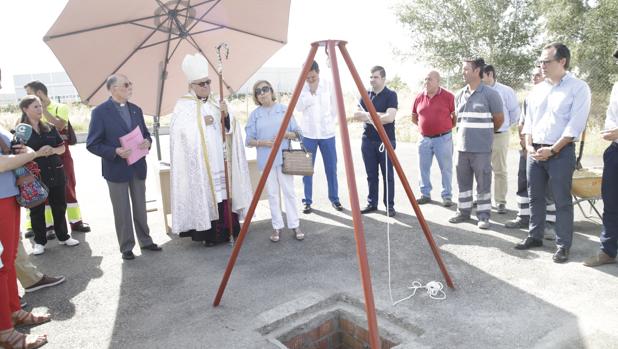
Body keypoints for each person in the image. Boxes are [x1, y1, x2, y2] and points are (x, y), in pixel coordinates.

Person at [516, 43, 591, 263]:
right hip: (535, 151)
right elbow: (529, 122)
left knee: (561, 200)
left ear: (562, 62)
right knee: (535, 197)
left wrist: (553, 149)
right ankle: (535, 235)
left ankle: (562, 245)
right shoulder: (538, 90)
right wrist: (529, 146)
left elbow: (574, 126)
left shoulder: (578, 88)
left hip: (560, 152)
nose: (542, 65)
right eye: (540, 61)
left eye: (547, 61)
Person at [169, 53, 252, 246]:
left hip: (220, 157)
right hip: (201, 162)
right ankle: (211, 236)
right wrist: (199, 122)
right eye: (201, 83)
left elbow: (232, 129)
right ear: (191, 86)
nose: (206, 86)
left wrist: (226, 116)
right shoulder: (183, 105)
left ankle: (230, 229)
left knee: (224, 193)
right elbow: (178, 131)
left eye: (208, 82)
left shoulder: (218, 101)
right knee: (209, 193)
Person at [86, 74, 161, 260]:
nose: (130, 87)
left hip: (137, 166)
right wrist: (115, 151)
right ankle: (126, 246)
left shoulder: (136, 109)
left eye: (130, 83)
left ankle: (146, 240)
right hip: (116, 168)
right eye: (126, 84)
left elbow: (145, 134)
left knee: (140, 207)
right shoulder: (100, 112)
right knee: (121, 209)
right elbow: (92, 144)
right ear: (113, 89)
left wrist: (147, 142)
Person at [1, 67, 49, 349]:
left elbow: (14, 155)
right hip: (1, 199)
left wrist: (20, 155)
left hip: (8, 197)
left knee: (6, 263)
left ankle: (13, 311)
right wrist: (24, 157)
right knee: (1, 266)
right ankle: (5, 331)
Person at [24, 81, 91, 235]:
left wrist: (42, 110)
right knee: (41, 189)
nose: (27, 96)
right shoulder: (28, 110)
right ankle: (48, 227)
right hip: (40, 157)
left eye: (30, 93)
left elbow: (60, 125)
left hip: (61, 153)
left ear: (39, 93)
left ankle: (75, 222)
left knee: (68, 185)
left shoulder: (60, 107)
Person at [19, 96, 80, 255]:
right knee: (37, 210)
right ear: (25, 109)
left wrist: (52, 150)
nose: (40, 110)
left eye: (40, 106)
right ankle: (39, 242)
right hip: (35, 176)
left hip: (56, 172)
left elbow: (62, 149)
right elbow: (17, 155)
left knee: (59, 206)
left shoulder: (50, 127)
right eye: (35, 107)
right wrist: (37, 153)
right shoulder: (21, 131)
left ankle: (63, 236)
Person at [448, 58, 504, 229]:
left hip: (481, 149)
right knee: (463, 183)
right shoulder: (459, 95)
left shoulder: (491, 94)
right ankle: (463, 212)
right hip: (462, 149)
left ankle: (484, 216)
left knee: (483, 183)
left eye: (466, 69)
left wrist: (483, 135)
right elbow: (456, 120)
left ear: (477, 70)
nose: (463, 72)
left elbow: (499, 120)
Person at [245, 80, 304, 242]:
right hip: (266, 160)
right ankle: (277, 227)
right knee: (272, 194)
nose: (262, 93)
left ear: (271, 91)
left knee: (289, 192)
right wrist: (263, 143)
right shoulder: (255, 115)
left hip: (284, 158)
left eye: (265, 89)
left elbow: (299, 133)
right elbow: (248, 140)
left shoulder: (284, 110)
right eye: (258, 91)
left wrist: (284, 135)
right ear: (256, 97)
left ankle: (295, 224)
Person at [505, 67, 557, 233]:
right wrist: (524, 143)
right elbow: (523, 122)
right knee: (523, 181)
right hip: (527, 147)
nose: (534, 78)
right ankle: (523, 216)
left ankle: (549, 222)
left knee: (548, 185)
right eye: (532, 75)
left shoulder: (554, 96)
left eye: (538, 75)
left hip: (548, 147)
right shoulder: (529, 97)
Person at [583, 48, 618, 267]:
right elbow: (611, 118)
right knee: (612, 202)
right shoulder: (617, 86)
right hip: (615, 151)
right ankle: (608, 251)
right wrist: (610, 131)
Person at [295, 61, 342, 214]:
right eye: (307, 78)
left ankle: (335, 199)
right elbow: (299, 107)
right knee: (306, 170)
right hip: (308, 134)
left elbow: (335, 108)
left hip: (327, 134)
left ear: (318, 72)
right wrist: (310, 93)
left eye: (313, 77)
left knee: (331, 168)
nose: (310, 80)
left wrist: (329, 123)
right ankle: (307, 201)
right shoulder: (301, 88)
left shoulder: (329, 85)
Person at [353, 66, 398, 217]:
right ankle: (372, 203)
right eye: (371, 77)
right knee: (371, 174)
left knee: (388, 175)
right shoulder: (366, 95)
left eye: (375, 77)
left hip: (385, 141)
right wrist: (379, 115)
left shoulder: (391, 95)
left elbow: (390, 117)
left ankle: (389, 206)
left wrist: (369, 116)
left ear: (383, 78)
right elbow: (356, 115)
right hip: (368, 141)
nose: (372, 79)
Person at [412, 70, 456, 207]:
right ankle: (425, 194)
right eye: (425, 79)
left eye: (430, 79)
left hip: (443, 139)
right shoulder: (419, 97)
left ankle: (447, 196)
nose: (426, 82)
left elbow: (455, 118)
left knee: (446, 168)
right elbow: (414, 118)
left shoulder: (449, 97)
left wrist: (445, 127)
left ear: (438, 82)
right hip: (424, 139)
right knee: (423, 168)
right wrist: (425, 128)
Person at [482, 65, 520, 214]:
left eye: (481, 75)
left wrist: (503, 126)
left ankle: (500, 202)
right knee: (482, 169)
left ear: (489, 74)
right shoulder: (479, 91)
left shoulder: (505, 91)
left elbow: (514, 113)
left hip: (500, 135)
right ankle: (482, 199)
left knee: (500, 170)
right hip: (482, 136)